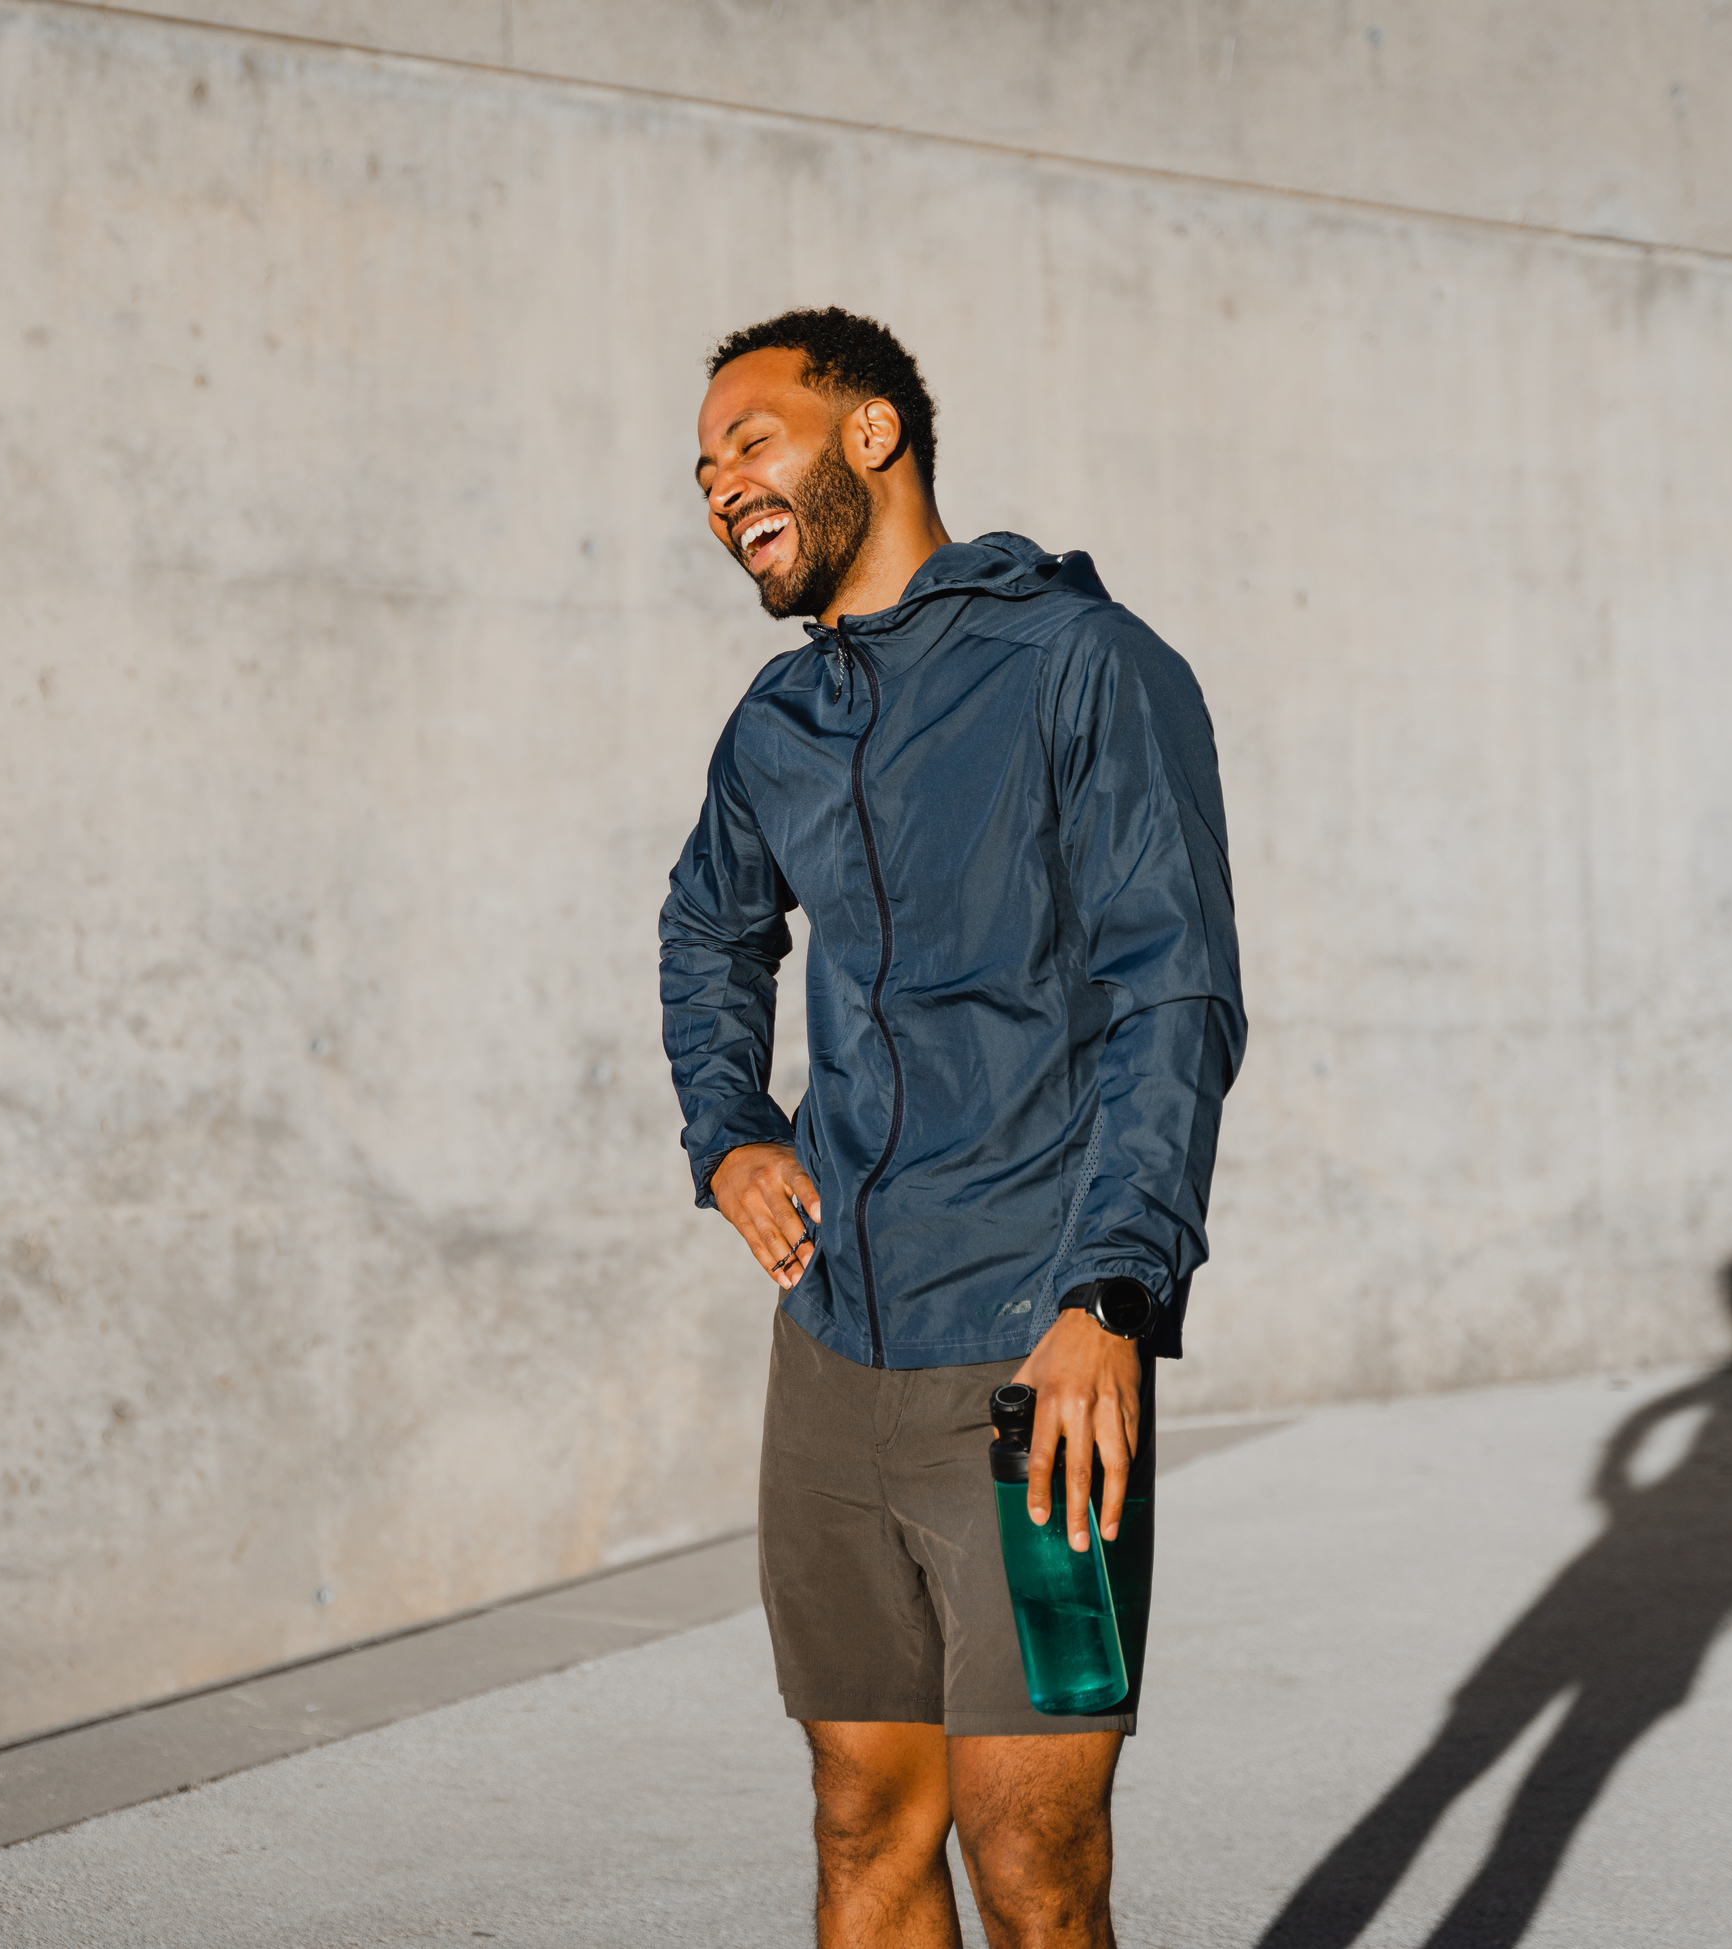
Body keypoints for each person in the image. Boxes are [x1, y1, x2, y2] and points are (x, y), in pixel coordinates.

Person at [660, 308, 1245, 1948]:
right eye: (701, 467)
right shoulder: (775, 725)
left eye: (748, 440)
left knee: (1032, 1852)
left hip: (1034, 1373)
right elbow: (708, 931)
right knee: (862, 1817)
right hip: (833, 1357)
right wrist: (728, 1129)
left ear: (869, 436)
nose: (719, 485)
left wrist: (1109, 1297)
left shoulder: (1086, 666)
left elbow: (1172, 995)